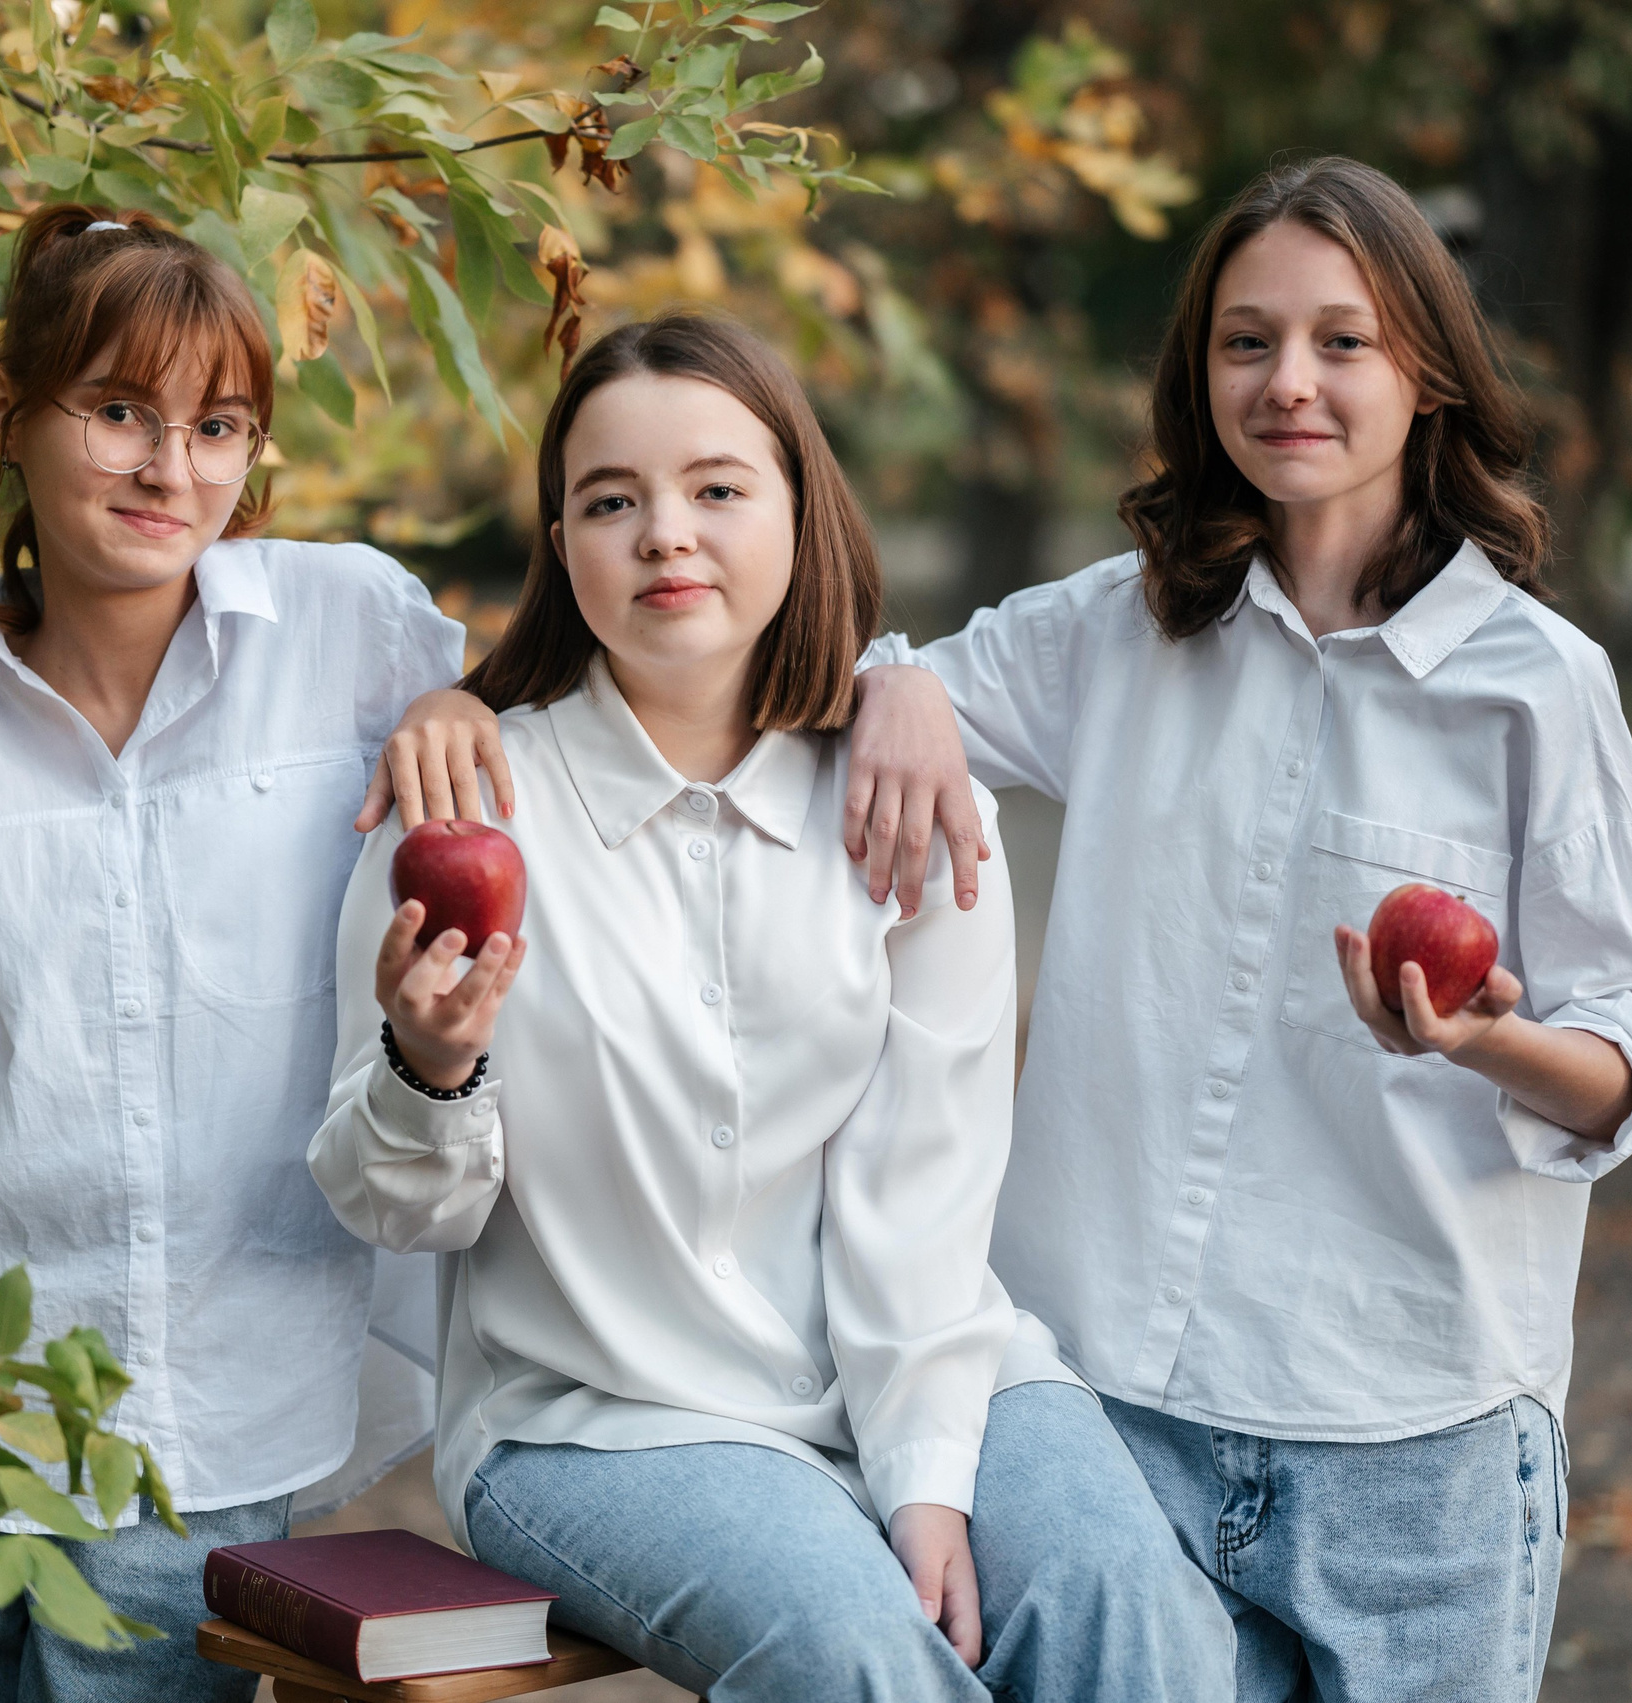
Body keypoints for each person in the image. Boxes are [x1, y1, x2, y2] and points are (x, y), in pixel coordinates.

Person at [833, 158, 1632, 1698]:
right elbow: (851, 692)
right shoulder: (1120, 630)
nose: (1287, 381)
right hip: (1106, 1418)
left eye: (1341, 341)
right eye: (1246, 343)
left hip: (1415, 1443)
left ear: (1426, 372)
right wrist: (898, 674)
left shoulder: (1535, 683)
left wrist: (1486, 1037)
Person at [310, 312, 1232, 1703]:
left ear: (800, 510)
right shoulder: (470, 811)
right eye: (611, 502)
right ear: (561, 548)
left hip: (919, 1348)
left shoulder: (919, 807)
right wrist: (428, 1069)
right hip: (601, 1416)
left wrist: (921, 1471)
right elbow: (396, 1212)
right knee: (864, 1660)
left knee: (1139, 1618)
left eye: (719, 489)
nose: (666, 535)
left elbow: (926, 1183)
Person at [0, 203, 485, 1702]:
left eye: (219, 425)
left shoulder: (348, 625)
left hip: (214, 1425)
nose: (173, 468)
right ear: (13, 424)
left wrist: (460, 707)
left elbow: (578, 685)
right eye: (120, 413)